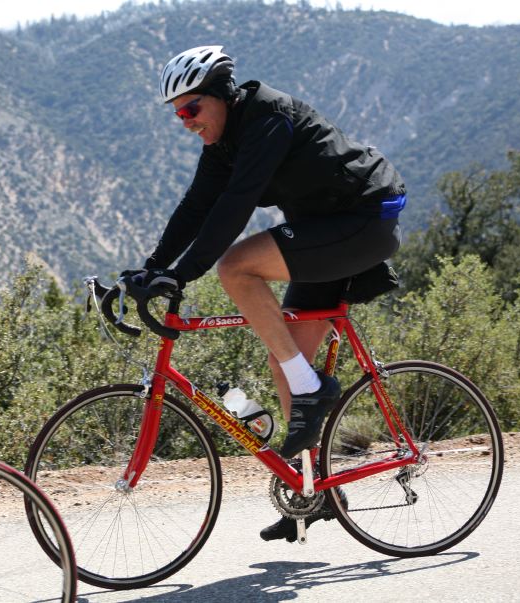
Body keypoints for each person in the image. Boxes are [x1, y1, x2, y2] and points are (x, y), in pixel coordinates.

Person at [127, 45, 406, 543]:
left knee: (236, 267)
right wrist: (151, 270)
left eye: (191, 108)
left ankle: (314, 392)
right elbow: (196, 207)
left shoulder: (266, 120)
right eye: (176, 113)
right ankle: (314, 490)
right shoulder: (223, 142)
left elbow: (233, 208)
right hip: (323, 229)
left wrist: (185, 273)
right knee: (286, 357)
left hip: (364, 221)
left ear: (221, 97)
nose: (184, 121)